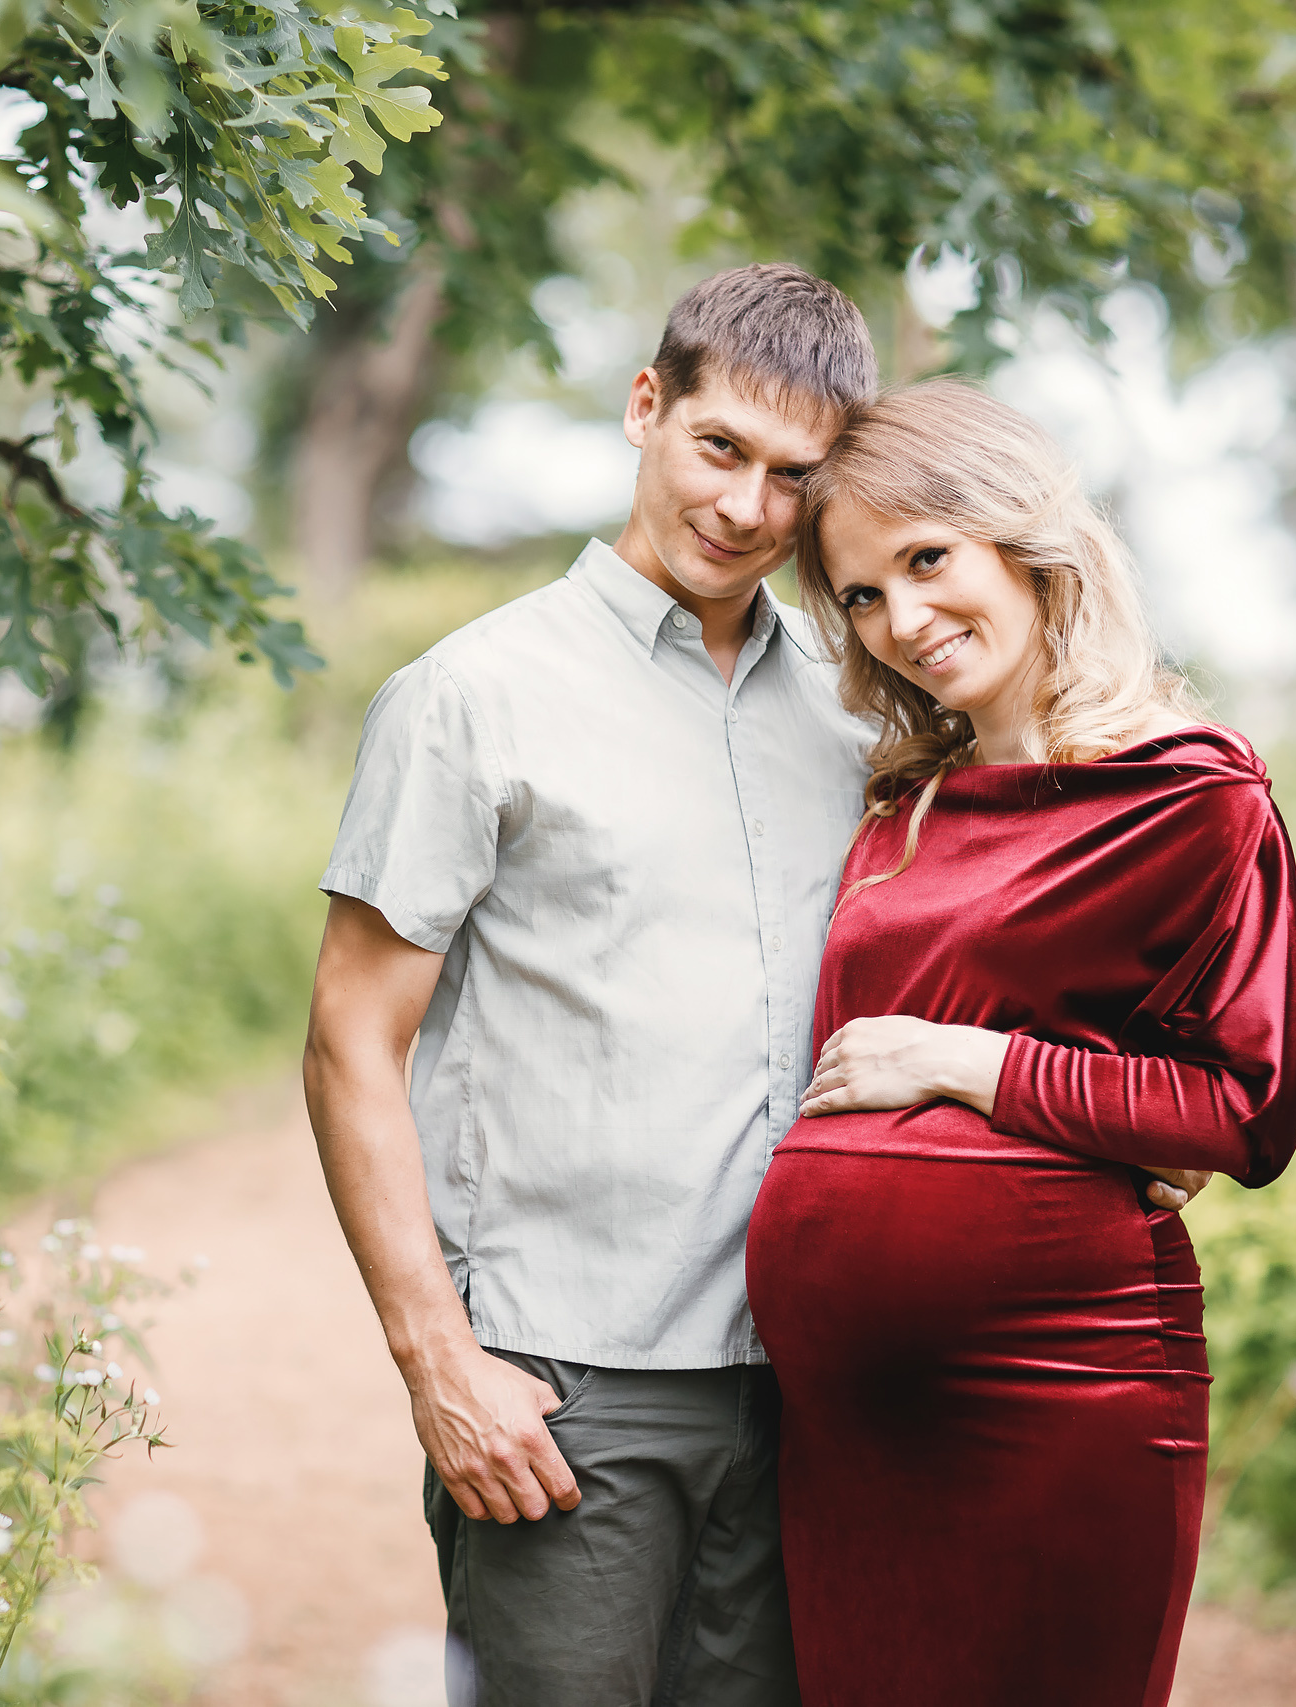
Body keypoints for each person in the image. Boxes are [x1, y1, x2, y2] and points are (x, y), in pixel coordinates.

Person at [301, 263, 881, 1707]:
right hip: (568, 1395)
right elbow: (346, 1046)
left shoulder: (855, 710)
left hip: (803, 1389)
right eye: (720, 448)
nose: (747, 507)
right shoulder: (474, 695)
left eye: (793, 477)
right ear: (647, 408)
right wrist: (442, 1366)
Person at [745, 378, 1296, 1706]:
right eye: (863, 596)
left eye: (927, 562)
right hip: (849, 1426)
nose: (904, 623)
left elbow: (1244, 1108)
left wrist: (971, 1064)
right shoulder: (903, 798)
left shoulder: (1187, 791)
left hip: (1060, 1389)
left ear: (1026, 538)